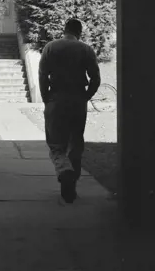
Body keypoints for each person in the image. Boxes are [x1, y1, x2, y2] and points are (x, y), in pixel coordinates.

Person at [38, 17, 101, 203]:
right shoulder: (86, 50)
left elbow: (42, 75)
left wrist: (45, 98)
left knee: (56, 143)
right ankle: (71, 187)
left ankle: (64, 170)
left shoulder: (51, 47)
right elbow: (95, 78)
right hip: (77, 100)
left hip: (57, 98)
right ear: (79, 32)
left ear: (64, 29)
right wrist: (86, 96)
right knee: (76, 143)